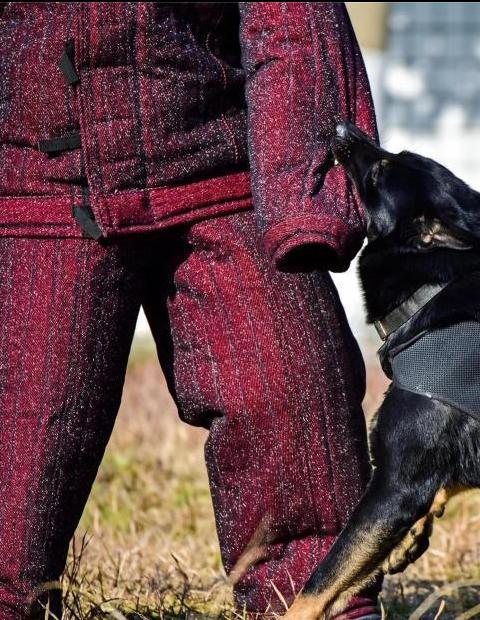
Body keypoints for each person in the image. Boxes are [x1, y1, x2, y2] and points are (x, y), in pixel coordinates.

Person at [0, 3, 380, 619]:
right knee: (17, 462)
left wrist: (303, 201)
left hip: (219, 164)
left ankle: (321, 605)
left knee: (291, 396)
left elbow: (290, 17)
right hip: (33, 182)